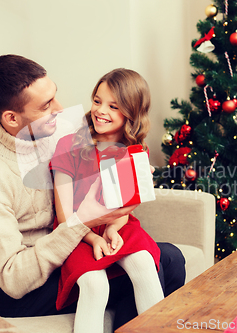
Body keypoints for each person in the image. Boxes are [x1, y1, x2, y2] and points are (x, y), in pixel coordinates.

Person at [0, 54, 185, 328]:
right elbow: (14, 279)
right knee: (160, 265)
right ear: (11, 118)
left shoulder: (55, 130)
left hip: (67, 244)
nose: (60, 108)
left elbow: (103, 161)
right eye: (46, 105)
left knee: (167, 258)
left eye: (54, 96)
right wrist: (85, 223)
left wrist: (132, 176)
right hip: (19, 283)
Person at [50, 68, 163, 333]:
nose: (101, 110)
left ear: (131, 113)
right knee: (94, 284)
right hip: (76, 231)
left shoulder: (134, 149)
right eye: (97, 101)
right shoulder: (69, 145)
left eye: (113, 106)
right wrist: (94, 238)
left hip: (116, 225)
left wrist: (112, 229)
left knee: (145, 264)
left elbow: (122, 207)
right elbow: (65, 216)